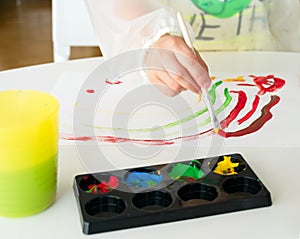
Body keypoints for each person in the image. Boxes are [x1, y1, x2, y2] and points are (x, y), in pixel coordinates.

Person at [85, 0, 300, 96]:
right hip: (167, 79)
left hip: (267, 71)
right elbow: (121, 7)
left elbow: (288, 19)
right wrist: (153, 38)